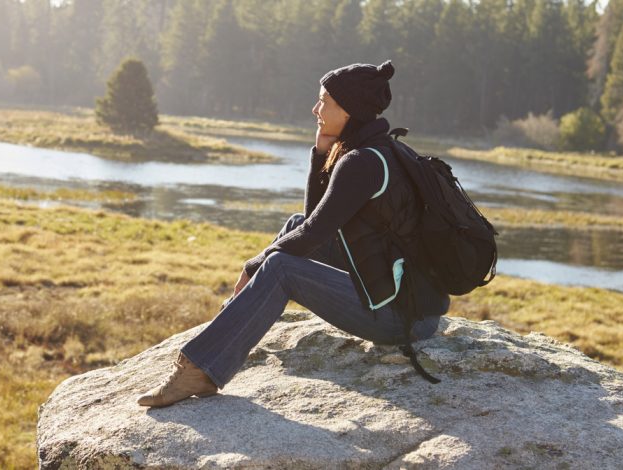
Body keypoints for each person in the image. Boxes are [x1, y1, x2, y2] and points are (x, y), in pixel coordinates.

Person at [137, 60, 450, 408]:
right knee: (292, 226)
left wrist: (253, 265)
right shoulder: (379, 150)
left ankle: (200, 371)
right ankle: (224, 334)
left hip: (400, 319)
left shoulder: (362, 162)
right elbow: (311, 221)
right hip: (407, 302)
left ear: (350, 109)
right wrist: (321, 153)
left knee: (280, 267)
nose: (315, 109)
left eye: (324, 102)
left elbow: (315, 232)